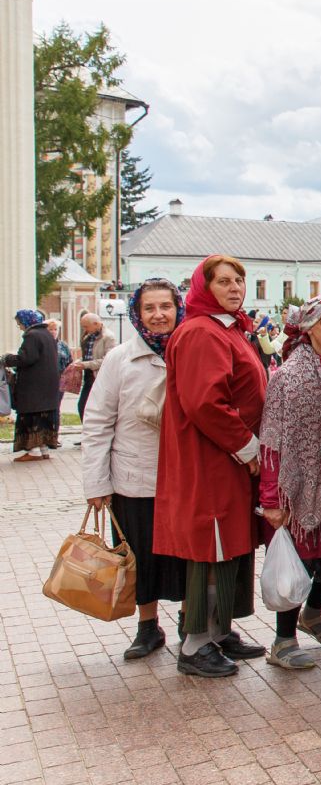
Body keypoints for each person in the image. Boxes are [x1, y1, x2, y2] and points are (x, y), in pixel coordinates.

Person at [155, 255, 269, 677]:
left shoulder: (228, 329)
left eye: (239, 280)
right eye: (224, 281)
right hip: (212, 460)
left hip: (227, 459)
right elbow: (206, 402)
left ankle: (218, 631)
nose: (236, 287)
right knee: (212, 546)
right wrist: (246, 446)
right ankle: (195, 644)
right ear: (204, 288)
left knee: (230, 544)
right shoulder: (203, 333)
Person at [82, 280, 190, 659]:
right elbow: (97, 421)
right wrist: (96, 482)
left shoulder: (191, 352)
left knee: (187, 557)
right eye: (150, 308)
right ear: (137, 313)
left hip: (185, 479)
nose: (159, 315)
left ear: (179, 308)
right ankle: (147, 627)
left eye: (166, 306)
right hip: (134, 479)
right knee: (139, 557)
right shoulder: (120, 359)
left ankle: (190, 623)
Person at [258, 296, 321, 670]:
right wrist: (271, 498)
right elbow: (272, 439)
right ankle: (282, 641)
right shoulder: (289, 377)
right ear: (310, 328)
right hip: (297, 487)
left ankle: (312, 615)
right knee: (301, 561)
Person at [6, 310, 60, 461]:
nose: (20, 326)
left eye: (20, 323)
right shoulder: (46, 335)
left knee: (32, 416)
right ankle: (43, 450)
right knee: (42, 417)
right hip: (47, 385)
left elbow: (26, 358)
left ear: (26, 321)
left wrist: (8, 359)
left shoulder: (32, 336)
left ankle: (34, 451)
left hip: (34, 385)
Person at [75, 313, 118, 420]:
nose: (85, 329)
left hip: (100, 376)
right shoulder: (88, 336)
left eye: (86, 326)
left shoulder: (108, 337)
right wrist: (80, 361)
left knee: (98, 407)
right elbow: (88, 355)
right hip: (89, 375)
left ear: (96, 324)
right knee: (82, 406)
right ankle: (87, 430)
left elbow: (108, 360)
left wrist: (85, 364)